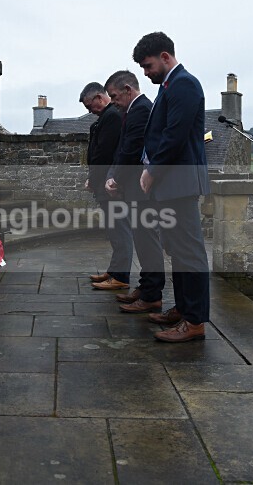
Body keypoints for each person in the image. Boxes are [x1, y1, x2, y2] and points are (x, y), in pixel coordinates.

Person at [133, 31, 211, 342]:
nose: (145, 72)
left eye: (148, 65)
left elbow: (174, 135)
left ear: (165, 57)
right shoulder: (170, 85)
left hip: (180, 183)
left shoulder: (184, 84)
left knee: (189, 253)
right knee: (178, 251)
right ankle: (183, 308)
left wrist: (152, 171)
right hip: (172, 184)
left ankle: (195, 321)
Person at [98, 71, 166, 309]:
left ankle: (151, 295)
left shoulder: (141, 109)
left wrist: (116, 179)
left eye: (115, 96)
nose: (113, 102)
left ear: (128, 90)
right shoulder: (133, 110)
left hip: (141, 188)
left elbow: (132, 149)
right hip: (135, 187)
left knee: (147, 241)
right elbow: (123, 148)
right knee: (142, 240)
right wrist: (113, 176)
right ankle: (146, 288)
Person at [79, 82, 129, 290]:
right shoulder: (106, 117)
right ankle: (115, 270)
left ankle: (121, 276)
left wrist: (93, 179)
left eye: (90, 106)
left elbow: (104, 154)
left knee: (119, 230)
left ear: (99, 98)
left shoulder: (112, 117)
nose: (90, 111)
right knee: (113, 229)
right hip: (104, 182)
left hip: (110, 184)